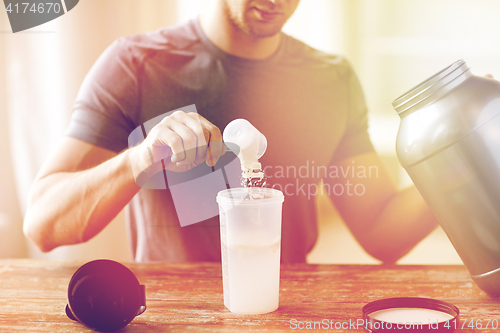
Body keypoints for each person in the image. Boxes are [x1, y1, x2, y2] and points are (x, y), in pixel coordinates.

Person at [23, 0, 439, 263]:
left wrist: (461, 159)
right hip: (172, 317)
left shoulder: (331, 79)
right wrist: (141, 157)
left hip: (285, 312)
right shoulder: (136, 65)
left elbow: (383, 233)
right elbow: (43, 225)